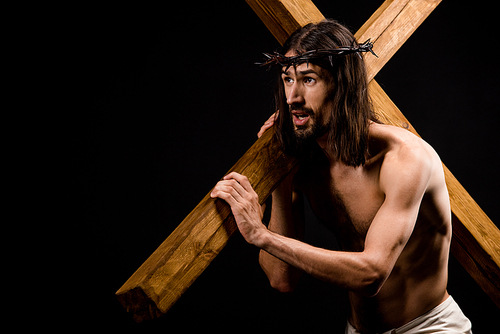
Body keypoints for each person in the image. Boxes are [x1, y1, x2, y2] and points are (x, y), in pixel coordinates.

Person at [210, 20, 472, 333]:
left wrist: (260, 234)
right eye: (287, 79)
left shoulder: (403, 159)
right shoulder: (306, 163)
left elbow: (371, 274)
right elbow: (281, 279)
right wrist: (280, 175)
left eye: (308, 80)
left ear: (341, 84)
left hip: (429, 328)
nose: (292, 97)